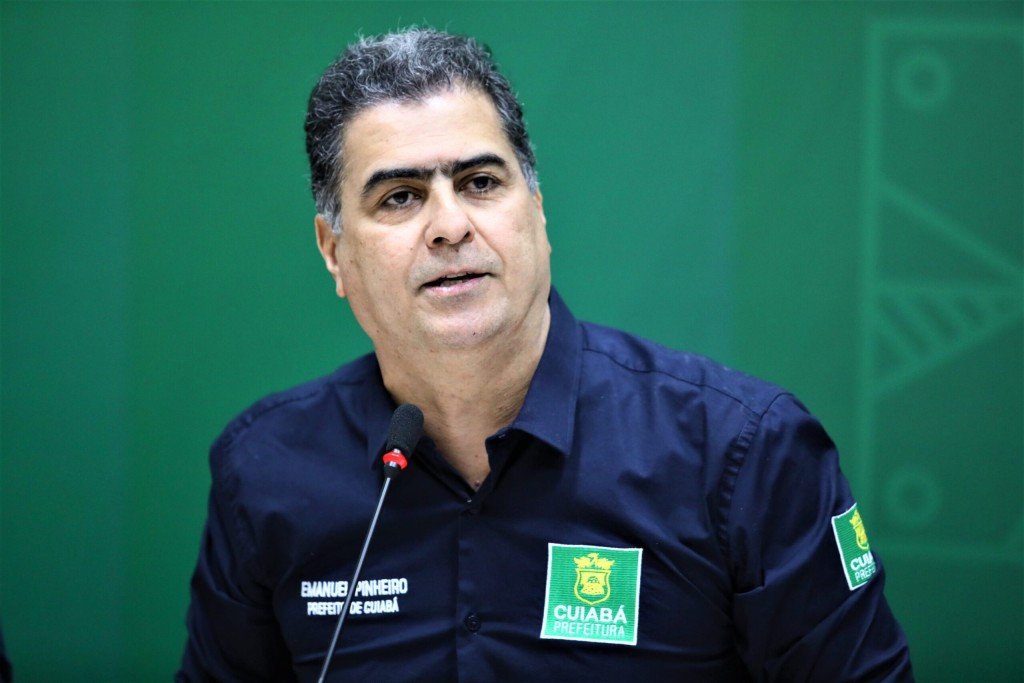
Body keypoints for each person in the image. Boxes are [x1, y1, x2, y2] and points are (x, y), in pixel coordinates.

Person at [178, 28, 913, 681]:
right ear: (334, 251)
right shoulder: (266, 470)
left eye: (481, 183)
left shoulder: (745, 455)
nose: (450, 225)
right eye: (400, 197)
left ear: (537, 212)